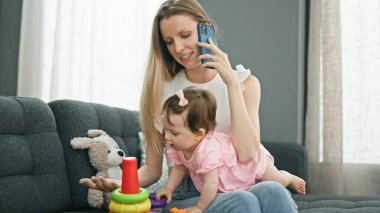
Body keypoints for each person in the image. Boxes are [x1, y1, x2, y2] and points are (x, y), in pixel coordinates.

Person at [80, 0, 299, 212]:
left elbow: (248, 154)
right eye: (169, 41)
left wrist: (232, 84)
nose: (178, 48)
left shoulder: (245, 84)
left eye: (185, 35)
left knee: (274, 190)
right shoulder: (163, 90)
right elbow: (153, 170)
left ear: (206, 29)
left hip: (244, 181)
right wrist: (121, 183)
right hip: (192, 192)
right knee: (242, 202)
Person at [156, 87, 306, 212]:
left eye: (174, 132)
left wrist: (199, 208)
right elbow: (179, 169)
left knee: (277, 182)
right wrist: (169, 189)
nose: (167, 137)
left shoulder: (207, 151)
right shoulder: (178, 145)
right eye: (166, 130)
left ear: (198, 134)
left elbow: (211, 184)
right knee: (247, 198)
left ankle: (288, 177)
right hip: (233, 180)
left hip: (250, 164)